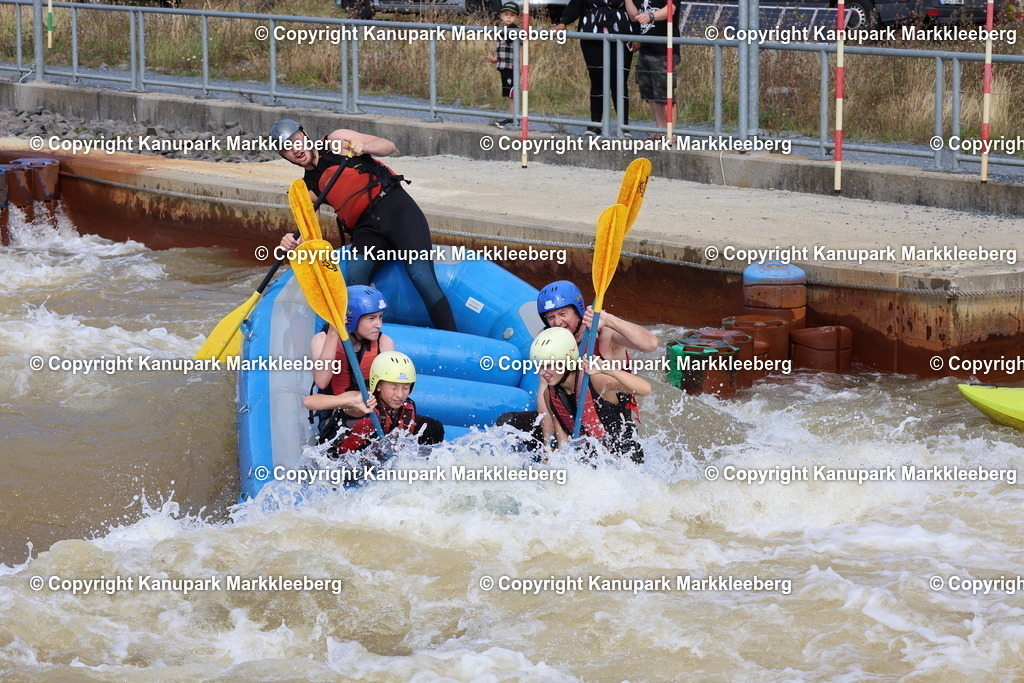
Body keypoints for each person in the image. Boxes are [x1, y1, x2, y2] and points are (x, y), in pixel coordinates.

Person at [270, 118, 457, 332]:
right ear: (283, 156)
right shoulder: (307, 189)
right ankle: (360, 345)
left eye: (295, 141)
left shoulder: (337, 141)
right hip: (366, 230)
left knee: (421, 276)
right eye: (286, 149)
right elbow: (309, 232)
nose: (295, 150)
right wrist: (293, 241)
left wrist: (364, 147)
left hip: (396, 210)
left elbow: (389, 146)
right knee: (354, 283)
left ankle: (455, 339)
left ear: (304, 134)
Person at [497, 279, 658, 448]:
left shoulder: (604, 333)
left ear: (578, 311)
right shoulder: (549, 338)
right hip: (570, 419)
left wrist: (609, 320)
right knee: (508, 422)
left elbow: (651, 344)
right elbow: (547, 395)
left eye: (563, 314)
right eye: (551, 317)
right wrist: (547, 448)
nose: (557, 322)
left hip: (608, 423)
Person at [531, 327, 650, 463]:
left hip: (626, 461)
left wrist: (607, 369)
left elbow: (645, 389)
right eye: (539, 366)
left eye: (548, 365)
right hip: (591, 461)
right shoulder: (550, 394)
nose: (542, 372)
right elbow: (562, 441)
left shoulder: (595, 381)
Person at [305, 351, 445, 462]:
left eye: (405, 387)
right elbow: (309, 402)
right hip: (343, 462)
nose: (400, 394)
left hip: (379, 458)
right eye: (394, 387)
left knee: (432, 427)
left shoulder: (404, 406)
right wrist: (351, 402)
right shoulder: (362, 400)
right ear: (378, 385)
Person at [304, 285, 394, 437]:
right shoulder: (322, 339)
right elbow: (322, 381)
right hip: (336, 414)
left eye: (380, 317)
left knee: (433, 427)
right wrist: (333, 333)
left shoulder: (384, 342)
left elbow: (388, 390)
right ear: (351, 319)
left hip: (371, 411)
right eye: (371, 318)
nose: (379, 324)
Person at [554, 0, 635, 136]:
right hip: (591, 33)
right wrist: (563, 22)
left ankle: (624, 126)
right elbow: (576, 4)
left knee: (619, 80)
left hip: (622, 32)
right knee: (597, 79)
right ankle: (595, 124)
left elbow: (636, 8)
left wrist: (637, 35)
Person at [624, 0, 679, 134]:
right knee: (651, 94)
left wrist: (651, 16)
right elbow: (633, 15)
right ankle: (660, 131)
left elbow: (670, 10)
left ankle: (671, 133)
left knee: (665, 93)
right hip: (646, 48)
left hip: (664, 49)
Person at [485, 2, 522, 130]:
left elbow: (520, 47)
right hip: (504, 66)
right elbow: (503, 50)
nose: (508, 17)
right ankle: (511, 117)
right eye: (506, 14)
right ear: (501, 16)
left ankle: (514, 119)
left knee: (512, 93)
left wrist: (521, 64)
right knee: (508, 93)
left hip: (512, 67)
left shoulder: (515, 30)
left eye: (512, 15)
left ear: (516, 17)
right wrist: (495, 60)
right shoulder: (502, 31)